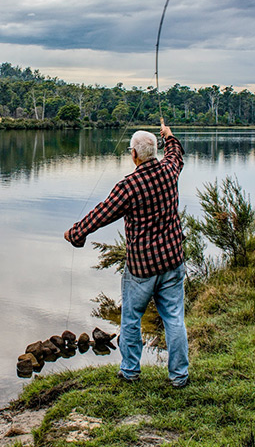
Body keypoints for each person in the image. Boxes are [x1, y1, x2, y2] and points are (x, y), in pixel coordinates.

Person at [64, 120, 189, 388]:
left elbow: (102, 213)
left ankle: (130, 371)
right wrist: (169, 135)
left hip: (142, 268)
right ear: (153, 152)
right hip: (172, 261)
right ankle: (179, 376)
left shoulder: (129, 185)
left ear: (134, 154)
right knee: (175, 319)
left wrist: (77, 233)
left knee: (131, 319)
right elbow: (176, 153)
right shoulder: (169, 171)